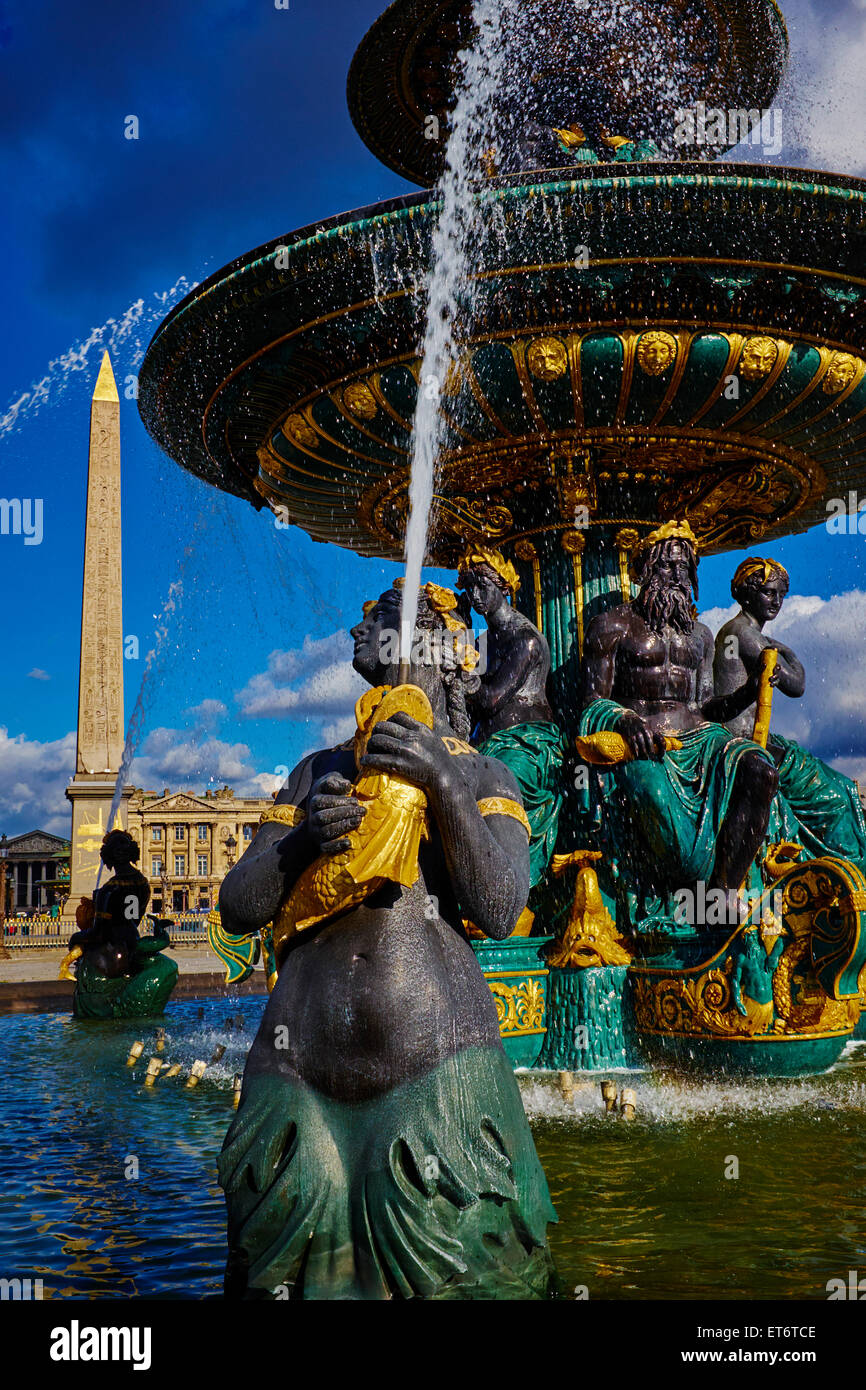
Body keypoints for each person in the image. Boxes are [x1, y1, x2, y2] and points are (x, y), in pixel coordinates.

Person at [217, 583, 557, 1300]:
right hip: (297, 1083)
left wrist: (440, 780)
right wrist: (302, 841)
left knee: (461, 1278)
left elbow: (499, 907)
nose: (356, 631)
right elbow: (237, 907)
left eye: (376, 621)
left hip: (435, 1080)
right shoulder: (317, 771)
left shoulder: (483, 772)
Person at [579, 521, 779, 911]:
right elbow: (590, 702)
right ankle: (681, 891)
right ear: (644, 571)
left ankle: (721, 896)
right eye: (666, 566)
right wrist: (623, 719)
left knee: (761, 771)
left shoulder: (700, 636)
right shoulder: (611, 626)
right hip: (644, 744)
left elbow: (706, 706)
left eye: (683, 568)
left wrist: (747, 692)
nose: (675, 575)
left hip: (702, 740)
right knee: (652, 794)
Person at [714, 557, 866, 865]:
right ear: (746, 593)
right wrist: (788, 653)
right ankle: (845, 869)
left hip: (753, 739)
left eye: (782, 594)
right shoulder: (743, 634)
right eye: (769, 592)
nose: (777, 601)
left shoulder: (741, 632)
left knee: (841, 790)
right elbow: (797, 686)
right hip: (745, 742)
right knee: (836, 796)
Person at [457, 543, 564, 889]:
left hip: (527, 745)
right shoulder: (486, 640)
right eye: (469, 587)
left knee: (496, 788)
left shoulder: (524, 639)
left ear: (504, 587)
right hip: (488, 744)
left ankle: (508, 888)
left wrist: (459, 670)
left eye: (482, 586)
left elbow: (490, 700)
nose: (474, 595)